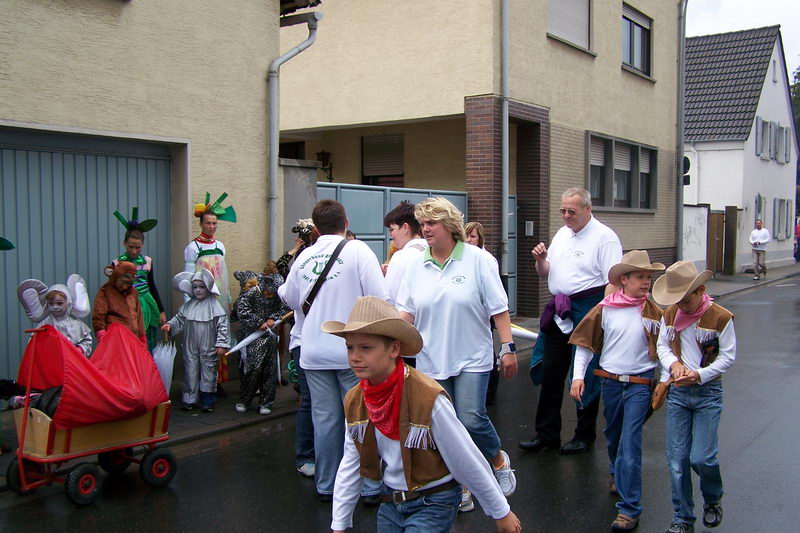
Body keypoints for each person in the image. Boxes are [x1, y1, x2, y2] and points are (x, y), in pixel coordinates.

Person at [325, 296, 522, 533]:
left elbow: (465, 458)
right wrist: (339, 522)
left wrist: (500, 511)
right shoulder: (356, 399)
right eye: (350, 347)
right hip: (390, 500)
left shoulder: (428, 397)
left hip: (434, 500)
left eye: (366, 347)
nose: (355, 356)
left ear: (394, 349)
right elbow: (351, 461)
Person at [396, 197, 518, 513]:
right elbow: (406, 314)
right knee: (445, 429)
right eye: (422, 224)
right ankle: (462, 484)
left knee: (471, 418)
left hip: (472, 357)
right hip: (432, 360)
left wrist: (507, 348)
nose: (425, 229)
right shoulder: (414, 265)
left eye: (431, 223)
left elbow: (499, 309)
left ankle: (497, 459)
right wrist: (392, 349)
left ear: (449, 226)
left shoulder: (478, 260)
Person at [278, 199, 387, 502]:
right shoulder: (359, 251)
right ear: (346, 222)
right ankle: (369, 487)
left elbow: (288, 297)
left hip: (313, 351)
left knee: (324, 421)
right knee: (360, 418)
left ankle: (326, 485)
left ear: (314, 228)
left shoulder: (304, 256)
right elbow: (380, 298)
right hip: (352, 353)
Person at [519, 187, 622, 455]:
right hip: (560, 310)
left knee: (586, 373)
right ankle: (547, 434)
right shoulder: (562, 234)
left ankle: (584, 435)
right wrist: (541, 260)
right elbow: (545, 273)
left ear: (588, 209)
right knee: (551, 372)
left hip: (589, 310)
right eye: (563, 211)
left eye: (571, 211)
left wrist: (601, 319)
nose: (566, 216)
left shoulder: (605, 238)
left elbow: (613, 282)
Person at [568, 251, 665, 531]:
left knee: (630, 443)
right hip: (610, 381)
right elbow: (585, 344)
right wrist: (577, 377)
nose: (647, 282)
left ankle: (629, 508)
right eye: (640, 277)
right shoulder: (605, 309)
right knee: (612, 436)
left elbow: (666, 348)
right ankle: (616, 473)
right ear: (624, 279)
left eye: (649, 277)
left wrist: (666, 378)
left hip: (640, 383)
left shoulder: (654, 312)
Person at [652, 261, 736, 533]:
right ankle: (682, 518)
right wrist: (674, 366)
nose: (681, 306)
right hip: (678, 392)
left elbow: (728, 357)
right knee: (677, 461)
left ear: (700, 290)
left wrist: (699, 375)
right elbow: (662, 345)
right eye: (676, 300)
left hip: (707, 393)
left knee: (702, 458)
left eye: (685, 300)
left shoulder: (721, 317)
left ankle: (712, 497)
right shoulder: (670, 315)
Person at [276, 218, 318, 478]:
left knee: (313, 401)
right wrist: (294, 250)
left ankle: (314, 455)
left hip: (309, 334)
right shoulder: (301, 259)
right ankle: (308, 455)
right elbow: (287, 290)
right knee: (311, 401)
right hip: (304, 329)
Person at [184, 192, 236, 391]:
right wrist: (189, 303)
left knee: (220, 338)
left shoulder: (220, 246)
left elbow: (224, 274)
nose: (212, 227)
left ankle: (217, 380)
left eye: (215, 223)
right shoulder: (193, 247)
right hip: (201, 300)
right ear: (201, 224)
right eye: (208, 223)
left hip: (219, 298)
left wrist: (229, 298)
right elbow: (188, 278)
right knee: (204, 340)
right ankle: (202, 382)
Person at [163, 268, 230, 413]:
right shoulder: (188, 306)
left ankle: (208, 400)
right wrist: (170, 325)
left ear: (208, 287)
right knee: (190, 370)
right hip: (190, 345)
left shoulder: (215, 307)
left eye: (202, 287)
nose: (198, 290)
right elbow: (179, 319)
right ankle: (189, 399)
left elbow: (223, 326)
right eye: (195, 287)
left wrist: (222, 343)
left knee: (208, 371)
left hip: (209, 345)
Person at [233, 267, 289, 415]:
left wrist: (273, 318)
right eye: (267, 293)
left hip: (270, 338)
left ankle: (266, 402)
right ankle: (244, 399)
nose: (268, 295)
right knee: (252, 369)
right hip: (254, 337)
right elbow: (242, 309)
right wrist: (258, 322)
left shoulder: (278, 295)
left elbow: (285, 308)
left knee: (269, 371)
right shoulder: (252, 293)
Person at [111, 208, 166, 351]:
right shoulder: (117, 263)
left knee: (148, 340)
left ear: (142, 245)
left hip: (146, 304)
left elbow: (152, 286)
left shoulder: (147, 261)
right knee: (129, 341)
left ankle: (148, 370)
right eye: (131, 247)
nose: (134, 251)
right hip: (126, 305)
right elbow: (112, 291)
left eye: (138, 247)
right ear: (124, 243)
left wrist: (161, 310)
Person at [464, 221, 502, 406]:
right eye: (467, 236)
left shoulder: (486, 259)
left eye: (473, 236)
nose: (469, 240)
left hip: (484, 312)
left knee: (488, 352)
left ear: (480, 239)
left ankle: (490, 393)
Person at [17, 275, 93, 357]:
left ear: (68, 303)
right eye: (51, 304)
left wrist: (80, 349)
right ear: (47, 305)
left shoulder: (77, 324)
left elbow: (87, 340)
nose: (55, 307)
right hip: (51, 362)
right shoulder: (45, 324)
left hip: (73, 362)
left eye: (59, 303)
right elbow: (33, 342)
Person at [383, 201, 427, 306]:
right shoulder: (433, 250)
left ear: (405, 228)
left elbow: (390, 299)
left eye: (392, 229)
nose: (391, 234)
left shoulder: (402, 257)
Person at [92, 261, 146, 345]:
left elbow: (139, 317)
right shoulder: (105, 291)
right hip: (115, 342)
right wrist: (102, 336)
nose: (125, 286)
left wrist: (142, 339)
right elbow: (98, 316)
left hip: (133, 341)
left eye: (129, 283)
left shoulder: (132, 292)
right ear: (117, 277)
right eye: (123, 282)